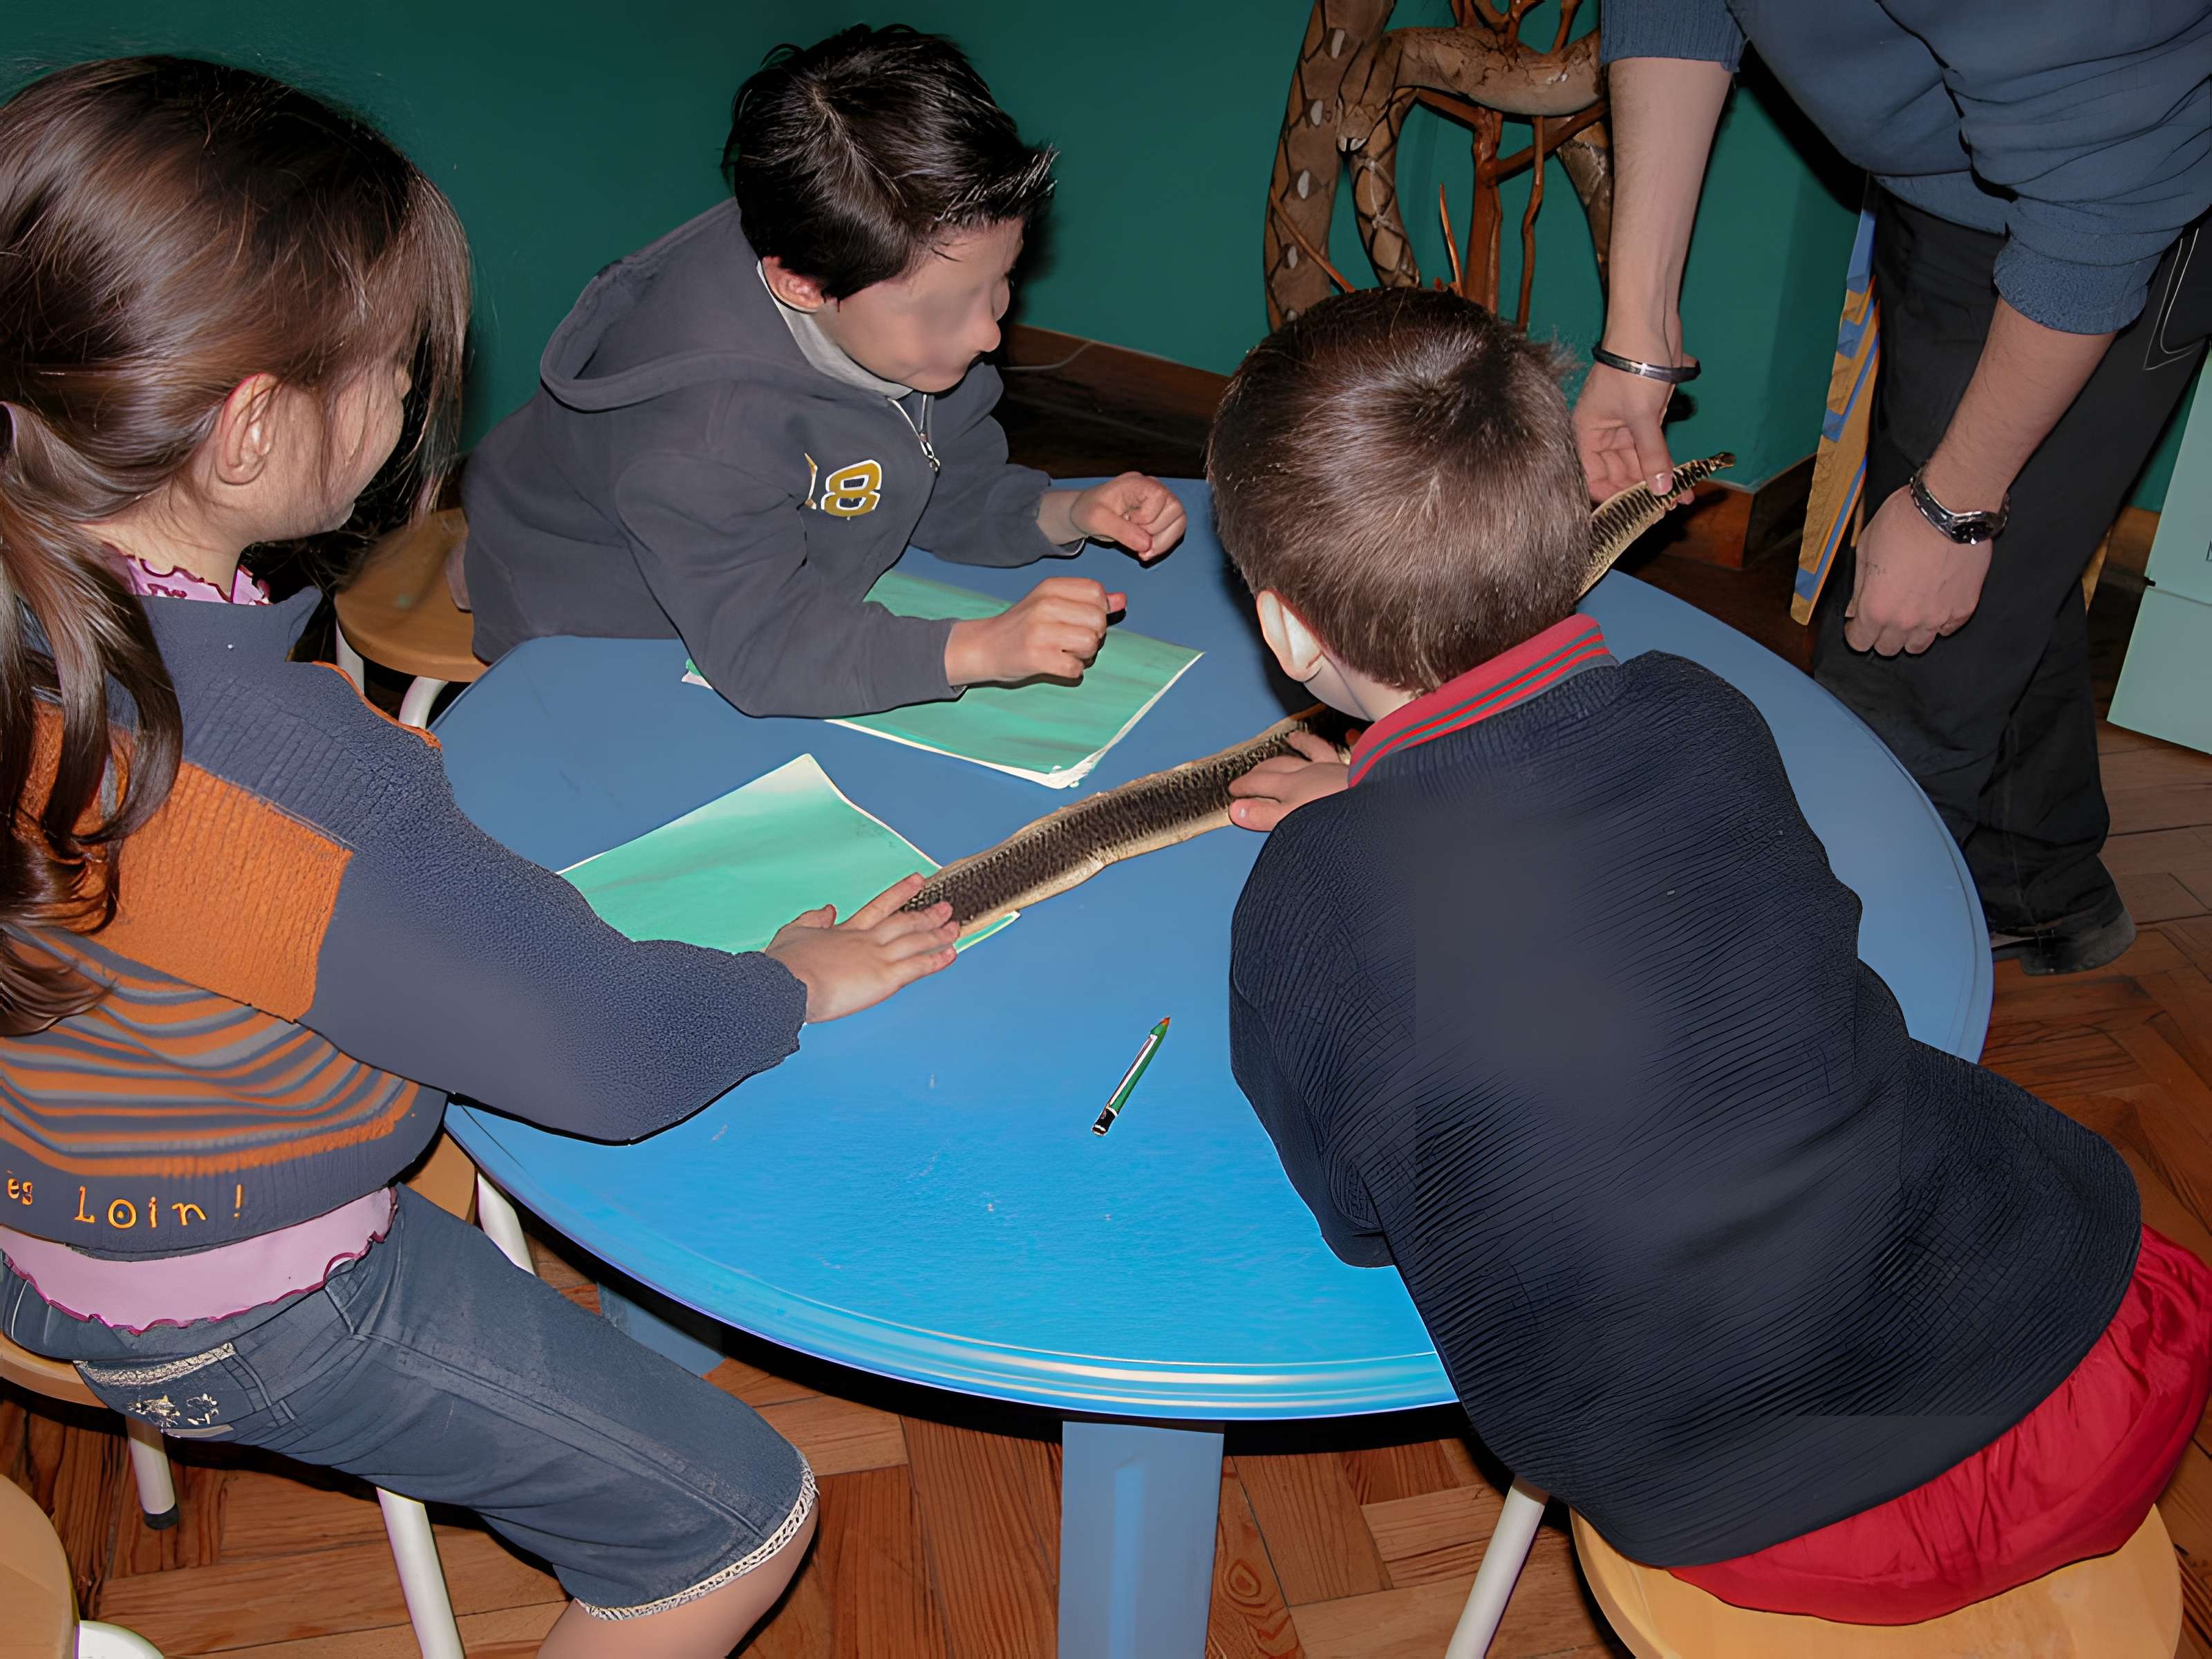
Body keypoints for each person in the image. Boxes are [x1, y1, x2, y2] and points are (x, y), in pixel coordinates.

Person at [0, 57, 960, 1657]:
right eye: (394, 367)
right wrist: (791, 977)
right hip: (232, 1292)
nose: (407, 400)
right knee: (734, 1517)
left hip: (50, 1175)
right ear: (250, 427)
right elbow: (610, 1055)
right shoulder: (290, 780)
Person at [1214, 286, 2212, 1619]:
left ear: (1286, 627)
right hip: (2100, 1352)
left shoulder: (1307, 903)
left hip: (1771, 1509)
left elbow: (1361, 1225)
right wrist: (1388, 808)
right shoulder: (1700, 709)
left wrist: (1354, 840)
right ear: (1570, 520)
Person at [1573, 2, 2212, 976]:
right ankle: (2036, 884)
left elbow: (2103, 199)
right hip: (1955, 195)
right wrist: (1637, 337)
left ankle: (1814, 1004)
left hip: (2115, 226)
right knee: (1994, 581)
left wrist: (1955, 509)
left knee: (1896, 652)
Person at [458, 24, 1188, 720]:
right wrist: (981, 648)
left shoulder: (873, 281)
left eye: (1002, 281)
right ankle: (468, 568)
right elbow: (765, 652)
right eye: (944, 311)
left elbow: (940, 481)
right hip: (597, 613)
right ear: (801, 285)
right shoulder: (701, 441)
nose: (988, 332)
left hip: (758, 567)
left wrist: (1066, 512)